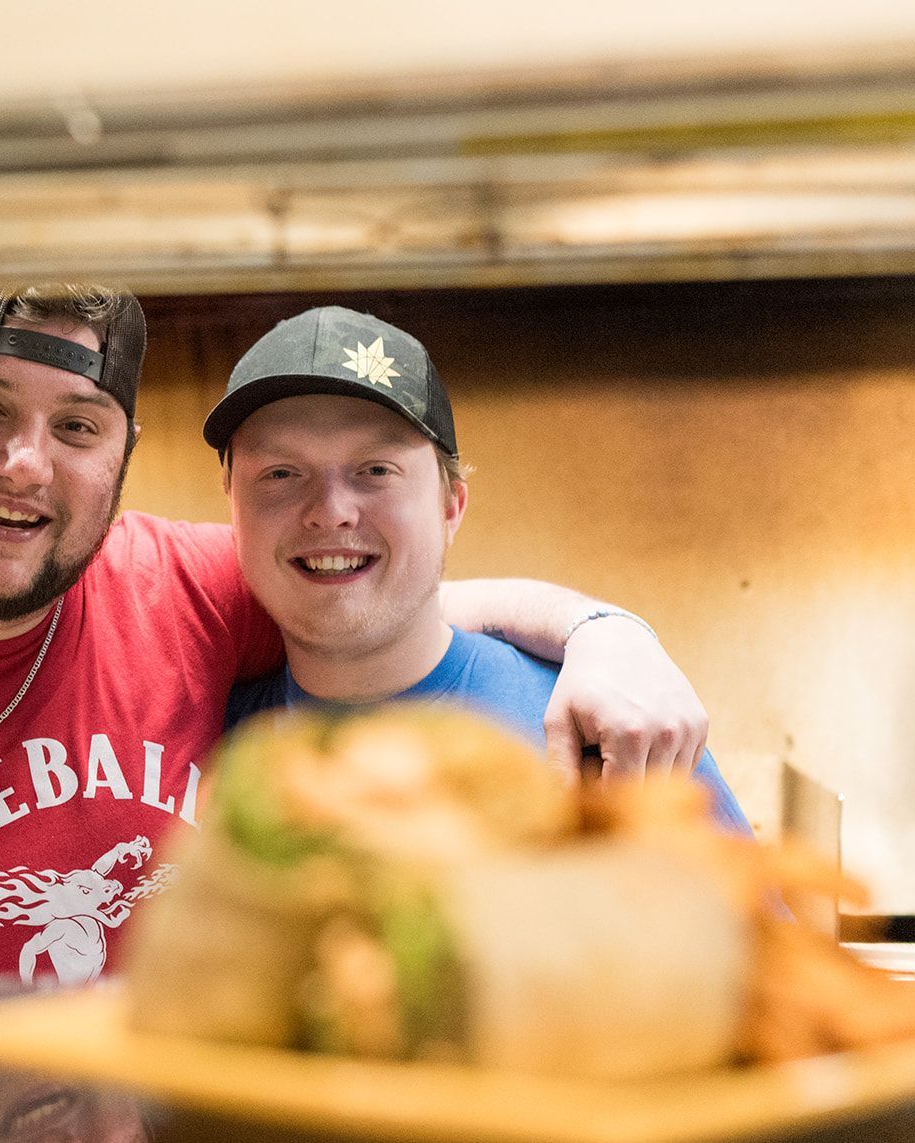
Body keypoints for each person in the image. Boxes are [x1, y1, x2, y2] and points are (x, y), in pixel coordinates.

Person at [0, 282, 717, 982]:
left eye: (77, 423)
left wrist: (609, 630)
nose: (24, 463)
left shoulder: (183, 588)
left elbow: (383, 597)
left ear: (120, 455)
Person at [205, 306, 747, 830]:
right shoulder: (199, 745)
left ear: (450, 507)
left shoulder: (606, 728)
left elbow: (753, 921)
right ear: (231, 506)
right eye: (280, 473)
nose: (330, 512)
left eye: (375, 469)